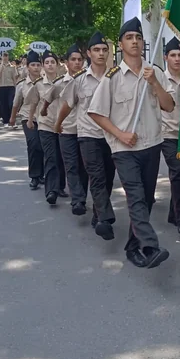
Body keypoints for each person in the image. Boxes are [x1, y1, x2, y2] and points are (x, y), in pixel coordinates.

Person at [88, 17, 174, 269]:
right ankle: (150, 246)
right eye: (129, 38)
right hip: (125, 149)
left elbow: (169, 106)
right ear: (121, 44)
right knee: (136, 197)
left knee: (146, 199)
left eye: (138, 37)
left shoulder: (155, 72)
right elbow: (96, 112)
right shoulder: (113, 77)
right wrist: (120, 134)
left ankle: (132, 247)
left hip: (152, 144)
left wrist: (155, 83)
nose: (134, 41)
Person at [60, 33, 116, 237]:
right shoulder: (80, 80)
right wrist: (59, 124)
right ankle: (105, 219)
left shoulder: (115, 77)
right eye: (97, 50)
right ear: (89, 53)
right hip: (87, 135)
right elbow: (67, 104)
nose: (101, 54)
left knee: (109, 177)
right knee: (97, 177)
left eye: (104, 50)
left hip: (111, 137)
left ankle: (98, 214)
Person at [51, 45, 90, 217]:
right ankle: (77, 201)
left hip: (84, 131)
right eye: (73, 60)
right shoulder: (60, 83)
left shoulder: (89, 80)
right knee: (72, 166)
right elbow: (46, 100)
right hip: (66, 130)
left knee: (84, 167)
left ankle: (81, 196)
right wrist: (55, 122)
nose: (76, 62)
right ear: (66, 63)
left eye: (79, 60)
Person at [160, 37, 180, 239]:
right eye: (173, 55)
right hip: (167, 134)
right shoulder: (159, 79)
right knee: (178, 172)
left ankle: (174, 213)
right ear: (166, 58)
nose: (177, 58)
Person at [30, 51, 66, 204]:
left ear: (57, 65)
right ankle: (51, 191)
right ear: (43, 66)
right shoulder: (38, 84)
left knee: (61, 158)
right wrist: (30, 119)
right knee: (50, 157)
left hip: (64, 125)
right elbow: (33, 102)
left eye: (53, 62)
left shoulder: (65, 81)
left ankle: (61, 186)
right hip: (45, 125)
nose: (50, 65)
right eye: (47, 62)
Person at [10, 50, 45, 189]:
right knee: (33, 144)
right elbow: (16, 103)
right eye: (33, 65)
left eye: (38, 65)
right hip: (27, 118)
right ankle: (35, 176)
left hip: (44, 119)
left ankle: (42, 174)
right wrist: (12, 118)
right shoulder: (22, 85)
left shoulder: (46, 82)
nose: (36, 67)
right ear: (28, 67)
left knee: (43, 146)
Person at [0, 50, 18, 128]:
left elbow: (14, 78)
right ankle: (6, 121)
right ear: (1, 57)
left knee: (11, 103)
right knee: (4, 104)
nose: (5, 57)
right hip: (2, 86)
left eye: (6, 55)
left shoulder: (12, 67)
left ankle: (12, 120)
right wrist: (1, 69)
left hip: (11, 86)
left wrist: (16, 87)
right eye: (4, 56)